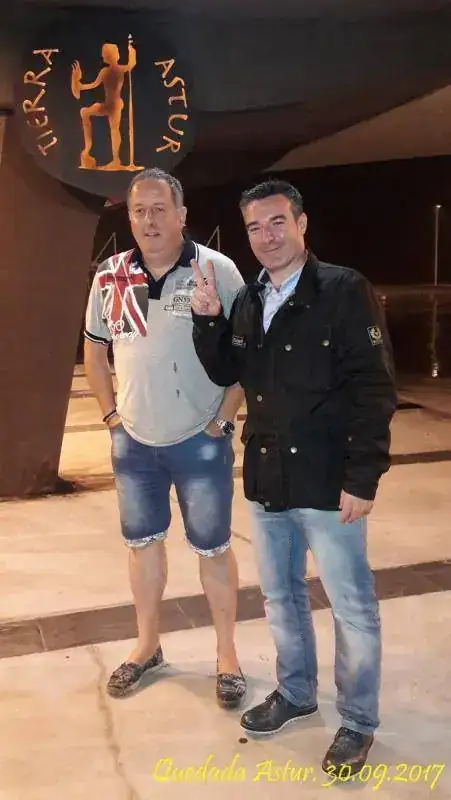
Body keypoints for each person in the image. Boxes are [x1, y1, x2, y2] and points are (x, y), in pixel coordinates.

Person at [190, 179, 397, 775]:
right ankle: (297, 692)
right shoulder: (249, 299)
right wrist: (208, 321)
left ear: (302, 223)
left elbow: (375, 387)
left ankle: (357, 721)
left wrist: (363, 476)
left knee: (351, 605)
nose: (267, 236)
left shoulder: (344, 290)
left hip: (329, 480)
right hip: (268, 476)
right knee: (280, 596)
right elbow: (227, 369)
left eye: (277, 222)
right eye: (254, 227)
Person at [84, 167, 246, 708]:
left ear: (181, 215)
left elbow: (247, 349)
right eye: (139, 211)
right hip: (133, 443)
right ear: (128, 218)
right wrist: (111, 417)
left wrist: (223, 420)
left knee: (213, 548)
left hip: (199, 439)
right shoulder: (111, 275)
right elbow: (95, 349)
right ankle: (148, 645)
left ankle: (227, 656)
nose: (149, 220)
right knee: (142, 545)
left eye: (160, 209)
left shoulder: (215, 269)